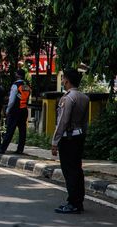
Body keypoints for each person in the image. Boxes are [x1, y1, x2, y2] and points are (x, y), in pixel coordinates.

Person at [51, 69, 89, 214]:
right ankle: (77, 201)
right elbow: (85, 122)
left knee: (69, 171)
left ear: (66, 80)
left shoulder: (67, 98)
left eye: (63, 80)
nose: (62, 82)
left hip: (68, 138)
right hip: (79, 137)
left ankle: (73, 203)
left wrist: (55, 141)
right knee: (77, 170)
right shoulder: (84, 97)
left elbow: (62, 121)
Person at [0, 69, 31, 155]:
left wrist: (8, 110)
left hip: (15, 110)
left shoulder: (15, 85)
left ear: (18, 75)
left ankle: (2, 148)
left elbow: (12, 100)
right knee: (22, 131)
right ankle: (20, 149)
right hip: (24, 110)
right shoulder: (27, 86)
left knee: (10, 130)